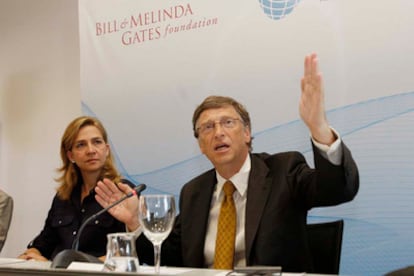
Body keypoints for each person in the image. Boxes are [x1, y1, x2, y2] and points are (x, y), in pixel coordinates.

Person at [94, 53, 359, 272]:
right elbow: (171, 258)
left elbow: (338, 189)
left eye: (228, 123)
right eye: (207, 127)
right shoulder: (193, 192)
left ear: (246, 133)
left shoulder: (283, 171)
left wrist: (319, 128)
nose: (218, 132)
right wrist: (135, 223)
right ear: (200, 145)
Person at [18, 116, 134, 261]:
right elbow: (43, 243)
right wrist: (32, 255)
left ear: (107, 150)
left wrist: (68, 267)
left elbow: (128, 251)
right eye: (81, 145)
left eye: (97, 142)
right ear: (70, 155)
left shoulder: (123, 191)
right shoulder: (63, 196)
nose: (91, 150)